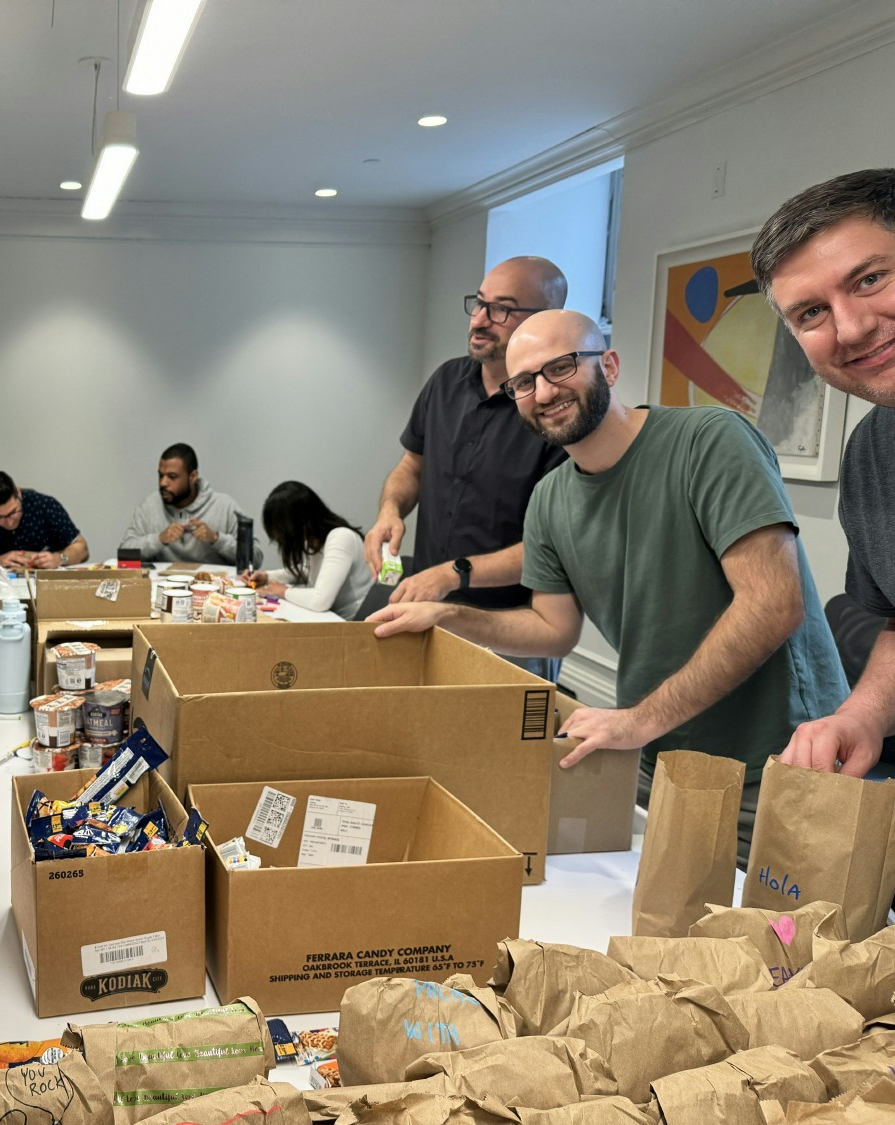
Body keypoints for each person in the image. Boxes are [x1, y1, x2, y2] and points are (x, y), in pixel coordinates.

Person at [370, 309, 846, 862]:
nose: (543, 392)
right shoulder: (550, 500)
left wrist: (639, 720)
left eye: (561, 367)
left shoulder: (709, 441)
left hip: (778, 767)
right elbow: (552, 631)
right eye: (524, 382)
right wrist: (452, 616)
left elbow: (773, 603)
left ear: (610, 365)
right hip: (657, 762)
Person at [362, 257, 570, 679]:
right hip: (423, 611)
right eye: (478, 303)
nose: (479, 320)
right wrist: (390, 511)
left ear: (544, 320)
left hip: (510, 632)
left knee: (494, 745)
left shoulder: (558, 409)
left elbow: (557, 546)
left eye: (502, 309)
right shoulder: (445, 382)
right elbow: (411, 467)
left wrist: (453, 575)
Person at [753, 168, 895, 778]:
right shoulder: (871, 454)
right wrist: (863, 713)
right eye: (812, 312)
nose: (852, 328)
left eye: (870, 278)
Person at [242, 481, 373, 619]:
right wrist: (267, 576)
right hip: (333, 619)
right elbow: (308, 571)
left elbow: (320, 600)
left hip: (355, 625)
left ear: (298, 522)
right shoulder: (313, 539)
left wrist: (283, 591)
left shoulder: (341, 538)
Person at [120, 442, 260, 566]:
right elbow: (124, 556)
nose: (163, 483)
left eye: (172, 477)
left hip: (214, 591)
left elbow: (255, 559)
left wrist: (216, 539)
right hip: (162, 589)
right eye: (160, 475)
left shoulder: (225, 506)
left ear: (193, 477)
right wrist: (159, 539)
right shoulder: (149, 506)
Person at [0, 470, 88, 570]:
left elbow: (82, 549)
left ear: (18, 493)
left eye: (13, 512)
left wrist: (59, 558)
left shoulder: (45, 506)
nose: (10, 522)